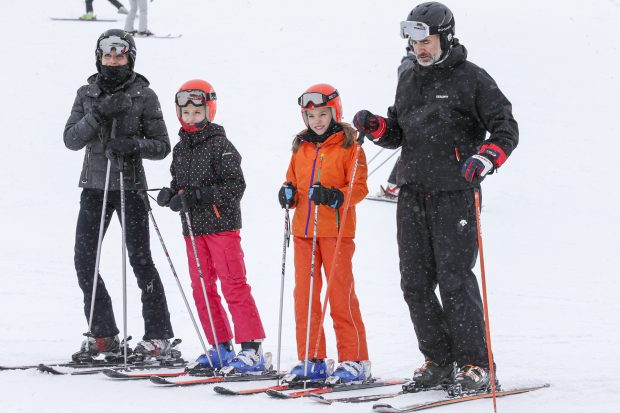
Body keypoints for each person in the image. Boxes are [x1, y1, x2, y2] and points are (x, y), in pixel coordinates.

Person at [353, 2, 518, 392]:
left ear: (445, 36)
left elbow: (505, 127)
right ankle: (439, 362)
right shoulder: (409, 77)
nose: (420, 49)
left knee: (454, 280)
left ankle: (477, 365)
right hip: (412, 192)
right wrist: (377, 126)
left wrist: (486, 157)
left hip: (454, 194)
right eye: (413, 41)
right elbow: (398, 133)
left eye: (426, 40)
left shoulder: (472, 79)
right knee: (414, 282)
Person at [64, 29, 175, 361]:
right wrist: (97, 113)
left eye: (120, 55)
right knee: (85, 260)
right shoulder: (87, 93)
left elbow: (162, 146)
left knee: (140, 260)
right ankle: (104, 334)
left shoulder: (145, 95)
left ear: (130, 57)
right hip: (95, 188)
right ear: (99, 57)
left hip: (130, 187)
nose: (113, 61)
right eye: (107, 55)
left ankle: (158, 336)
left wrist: (133, 145)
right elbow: (71, 139)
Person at [156, 80, 267, 373]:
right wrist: (171, 195)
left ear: (210, 110)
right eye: (186, 112)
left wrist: (198, 197)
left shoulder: (221, 145)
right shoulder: (180, 150)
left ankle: (252, 347)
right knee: (201, 288)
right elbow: (179, 186)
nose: (191, 118)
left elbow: (235, 187)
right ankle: (220, 346)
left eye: (197, 111)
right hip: (193, 229)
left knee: (233, 283)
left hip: (222, 226)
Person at [278, 84, 371, 384]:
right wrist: (287, 193)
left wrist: (334, 196)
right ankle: (312, 357)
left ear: (335, 112)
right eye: (311, 115)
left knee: (339, 294)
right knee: (304, 297)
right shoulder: (301, 148)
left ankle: (355, 359)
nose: (317, 120)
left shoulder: (350, 147)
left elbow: (358, 188)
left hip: (336, 232)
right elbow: (291, 179)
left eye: (323, 114)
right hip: (304, 231)